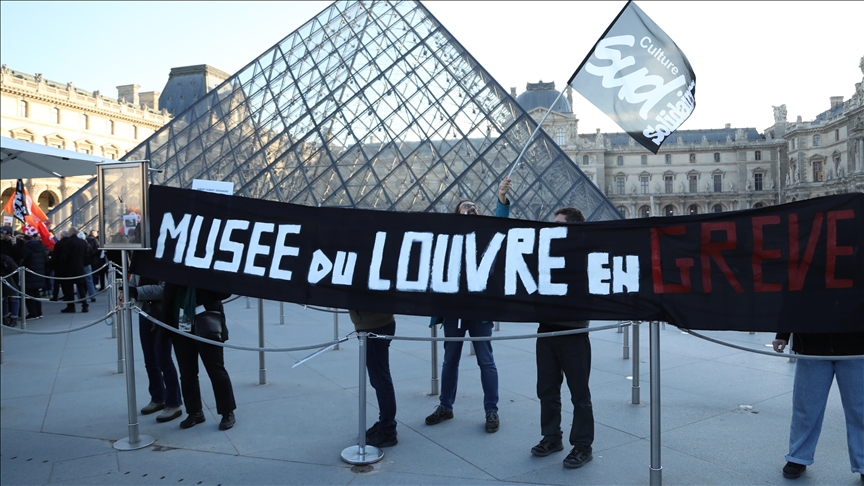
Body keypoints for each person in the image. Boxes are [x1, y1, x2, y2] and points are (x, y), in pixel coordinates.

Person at [426, 177, 511, 433]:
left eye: (474, 205)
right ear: (456, 215)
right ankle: (446, 406)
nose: (471, 207)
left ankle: (491, 411)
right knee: (450, 361)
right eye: (465, 206)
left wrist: (502, 197)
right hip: (452, 309)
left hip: (479, 309)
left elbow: (501, 221)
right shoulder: (447, 238)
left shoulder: (486, 235)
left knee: (486, 361)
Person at [530, 207, 595, 469]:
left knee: (579, 393)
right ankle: (551, 437)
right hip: (546, 330)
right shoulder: (545, 253)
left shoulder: (584, 256)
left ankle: (582, 446)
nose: (552, 226)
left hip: (573, 332)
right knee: (546, 389)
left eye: (558, 223)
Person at [772, 332, 864, 482]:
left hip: (858, 345)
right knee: (806, 407)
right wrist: (783, 333)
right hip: (812, 344)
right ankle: (798, 456)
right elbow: (793, 307)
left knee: (860, 409)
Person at [161, 282, 236, 430]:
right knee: (187, 372)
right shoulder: (172, 267)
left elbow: (225, 292)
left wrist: (200, 277)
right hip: (180, 322)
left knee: (216, 369)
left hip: (207, 320)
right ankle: (194, 412)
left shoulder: (207, 265)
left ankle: (227, 412)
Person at [130, 275, 183, 423]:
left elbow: (164, 289)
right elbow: (133, 283)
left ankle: (174, 403)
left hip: (163, 312)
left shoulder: (161, 258)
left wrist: (137, 290)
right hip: (144, 311)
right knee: (150, 359)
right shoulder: (140, 261)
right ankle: (158, 397)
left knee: (163, 358)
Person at [350, 310, 397, 448]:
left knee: (380, 379)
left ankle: (388, 429)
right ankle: (386, 423)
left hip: (373, 324)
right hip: (373, 323)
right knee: (379, 378)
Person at [52, 228, 89, 313]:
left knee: (69, 289)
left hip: (69, 268)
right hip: (79, 267)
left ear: (71, 232)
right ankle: (85, 305)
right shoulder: (82, 242)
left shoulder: (69, 242)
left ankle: (71, 306)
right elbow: (86, 255)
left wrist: (62, 265)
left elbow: (64, 256)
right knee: (81, 287)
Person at [22, 233, 49, 320]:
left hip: (29, 274)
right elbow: (46, 260)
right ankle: (39, 312)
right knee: (37, 294)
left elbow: (23, 260)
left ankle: (32, 313)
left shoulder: (26, 248)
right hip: (39, 273)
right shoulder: (40, 247)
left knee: (29, 295)